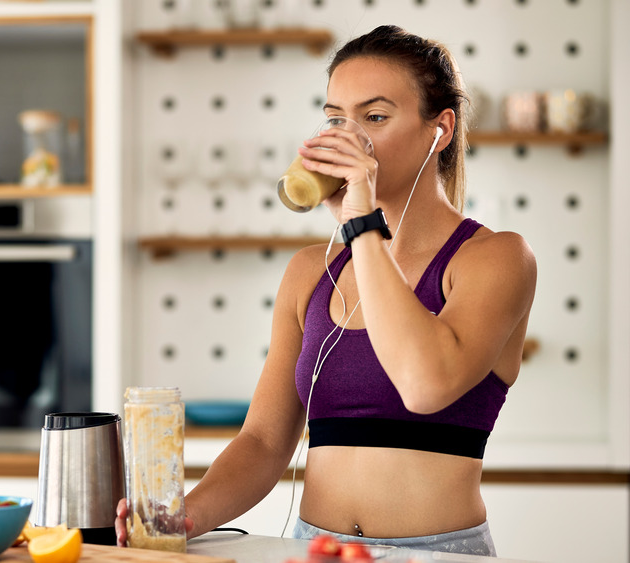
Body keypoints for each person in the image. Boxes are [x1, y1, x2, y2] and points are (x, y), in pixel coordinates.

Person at [116, 25, 537, 556]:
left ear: (441, 129)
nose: (347, 137)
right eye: (336, 118)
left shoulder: (496, 257)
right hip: (314, 547)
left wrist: (363, 224)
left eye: (375, 117)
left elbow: (426, 385)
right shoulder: (309, 271)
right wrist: (183, 517)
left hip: (438, 551)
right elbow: (264, 443)